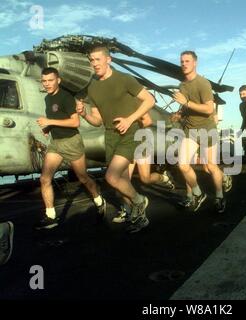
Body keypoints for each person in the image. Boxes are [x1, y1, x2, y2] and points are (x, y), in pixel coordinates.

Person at [76, 46, 155, 232]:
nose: (94, 64)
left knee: (111, 177)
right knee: (122, 183)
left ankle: (139, 201)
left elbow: (150, 100)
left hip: (131, 132)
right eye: (91, 60)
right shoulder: (92, 87)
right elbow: (97, 121)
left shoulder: (124, 79)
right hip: (110, 135)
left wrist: (130, 119)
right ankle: (140, 219)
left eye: (98, 59)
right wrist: (84, 114)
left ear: (108, 60)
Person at [36, 67, 105, 230]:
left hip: (71, 142)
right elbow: (56, 118)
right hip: (56, 143)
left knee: (83, 178)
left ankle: (98, 198)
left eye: (50, 80)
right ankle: (51, 216)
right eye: (44, 81)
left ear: (58, 80)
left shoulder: (65, 97)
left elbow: (75, 123)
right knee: (44, 179)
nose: (47, 84)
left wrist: (49, 122)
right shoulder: (47, 99)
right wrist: (47, 128)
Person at [173, 51, 226, 213]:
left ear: (195, 63)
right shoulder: (182, 85)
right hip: (190, 130)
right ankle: (198, 193)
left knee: (211, 166)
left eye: (187, 61)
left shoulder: (203, 83)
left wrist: (186, 102)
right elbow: (185, 106)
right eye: (182, 61)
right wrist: (179, 113)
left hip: (207, 129)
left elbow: (209, 108)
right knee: (182, 164)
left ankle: (219, 195)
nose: (184, 64)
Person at [111, 112, 175, 224]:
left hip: (141, 142)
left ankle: (163, 178)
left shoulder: (136, 100)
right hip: (125, 144)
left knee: (145, 178)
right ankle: (128, 210)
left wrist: (130, 121)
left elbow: (147, 120)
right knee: (122, 181)